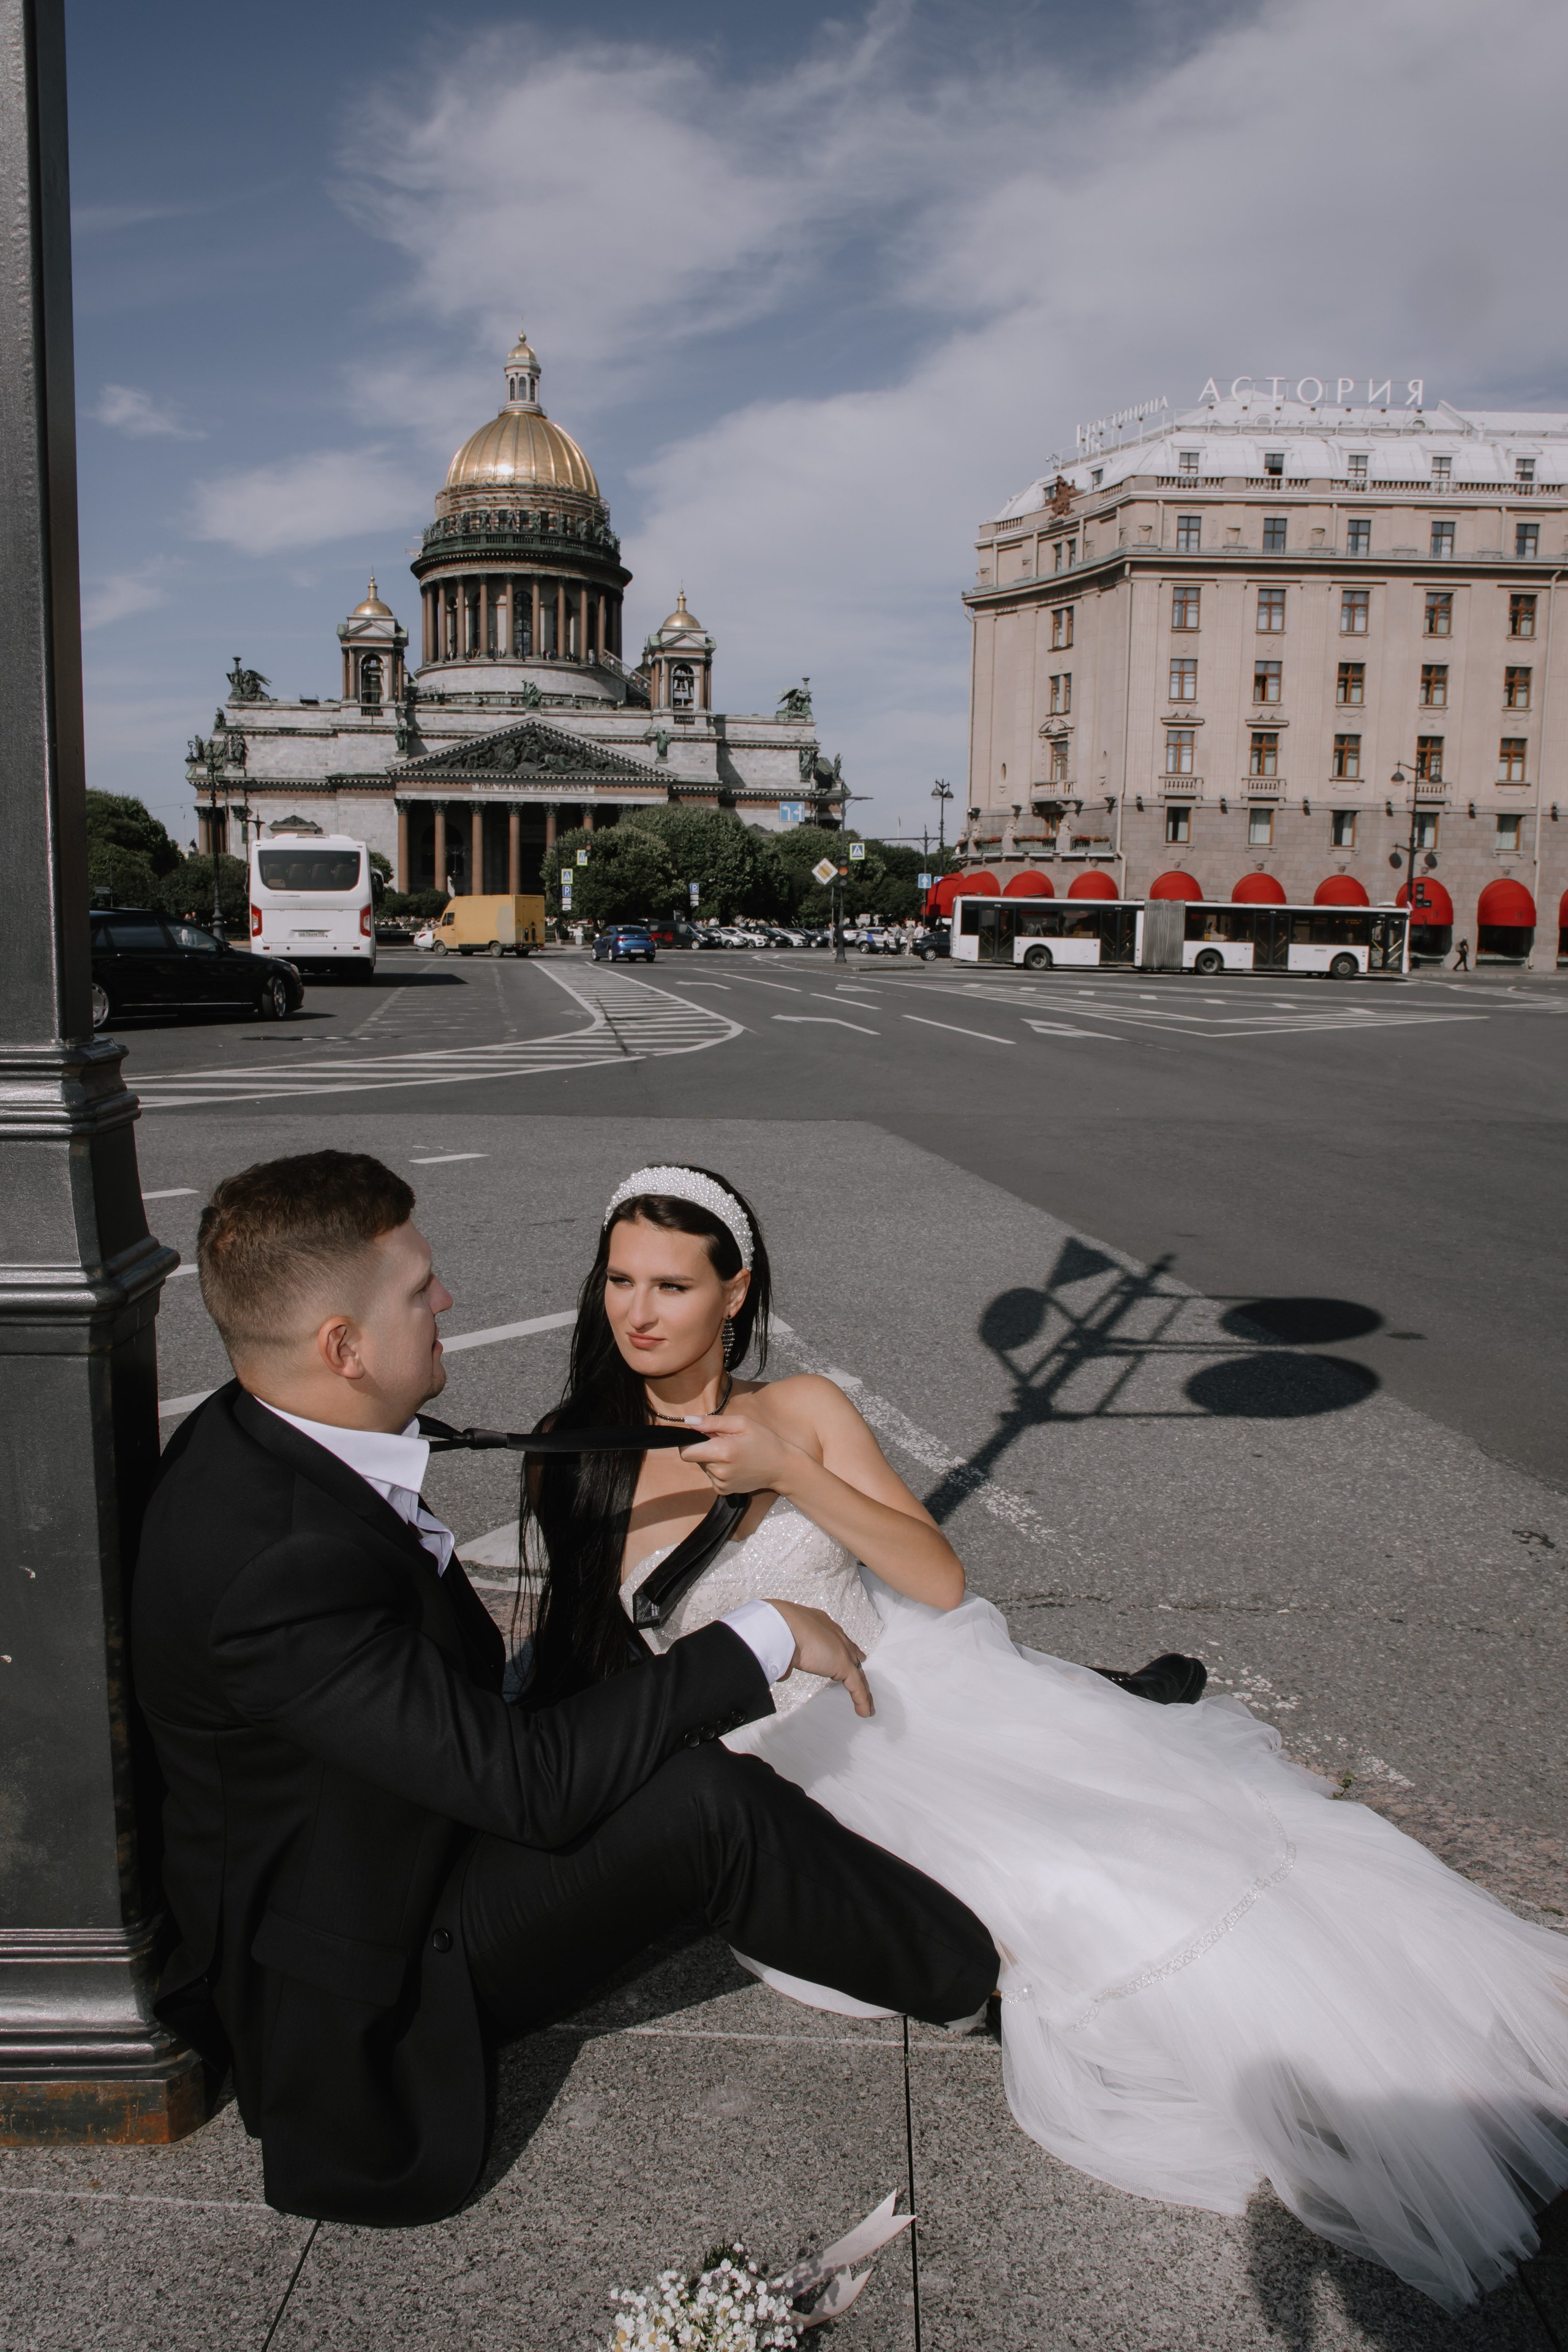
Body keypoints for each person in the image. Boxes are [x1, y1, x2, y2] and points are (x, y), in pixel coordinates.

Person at [524, 1162, 1568, 2312]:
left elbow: (933, 1570)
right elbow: (594, 1663)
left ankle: (1403, 2062)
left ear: (737, 1292)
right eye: (620, 1279)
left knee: (1140, 1854)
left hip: (919, 1692)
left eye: (672, 1285)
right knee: (1048, 1900)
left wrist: (789, 1475)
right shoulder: (577, 1450)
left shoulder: (805, 1409)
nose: (638, 1310)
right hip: (776, 1770)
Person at [130, 1152, 997, 2227]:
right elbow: (530, 1788)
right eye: (417, 1288)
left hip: (400, 1832)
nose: (446, 1298)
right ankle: (984, 1990)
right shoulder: (277, 1563)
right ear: (341, 1347)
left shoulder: (258, 1432)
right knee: (709, 1806)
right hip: (378, 1961)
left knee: (677, 1771)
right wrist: (761, 1636)